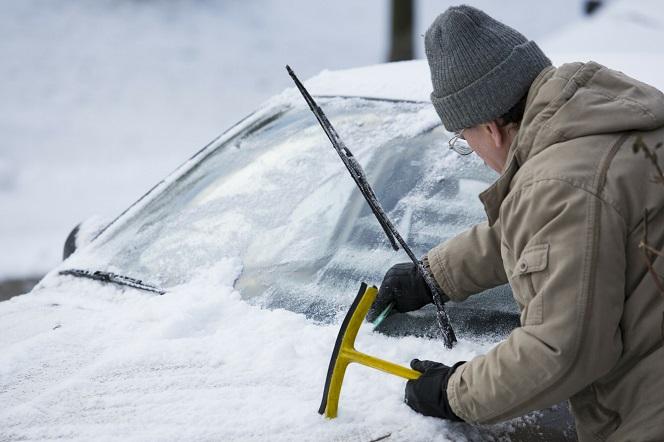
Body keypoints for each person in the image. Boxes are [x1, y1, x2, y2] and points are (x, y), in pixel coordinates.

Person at [368, 5, 664, 441]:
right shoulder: (608, 125)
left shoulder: (562, 181)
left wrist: (454, 393)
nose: (475, 154)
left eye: (464, 141)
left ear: (491, 128)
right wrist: (435, 276)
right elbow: (562, 229)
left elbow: (562, 350)